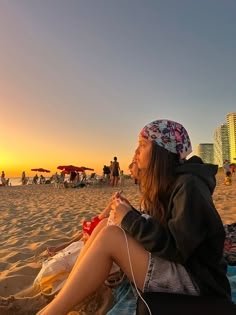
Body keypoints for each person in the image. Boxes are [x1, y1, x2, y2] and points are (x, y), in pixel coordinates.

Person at [37, 119, 231, 315]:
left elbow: (176, 248)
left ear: (162, 150)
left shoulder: (190, 186)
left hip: (197, 282)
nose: (136, 152)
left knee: (111, 237)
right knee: (106, 223)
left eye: (143, 144)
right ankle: (65, 294)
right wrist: (129, 214)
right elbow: (160, 228)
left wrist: (129, 218)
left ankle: (51, 312)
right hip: (181, 267)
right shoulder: (172, 182)